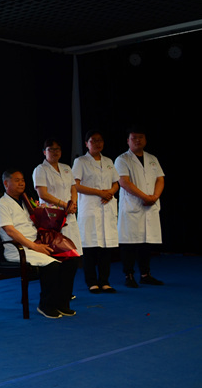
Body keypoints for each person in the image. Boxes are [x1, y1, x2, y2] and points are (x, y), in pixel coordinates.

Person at [0, 169, 78, 319]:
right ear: (6, 183)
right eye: (16, 180)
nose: (21, 183)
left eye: (22, 180)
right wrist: (35, 247)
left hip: (37, 243)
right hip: (18, 248)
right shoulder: (2, 204)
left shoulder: (26, 201)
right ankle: (46, 305)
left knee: (71, 260)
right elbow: (10, 231)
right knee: (53, 265)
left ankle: (62, 303)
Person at [32, 138, 82, 297]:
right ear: (44, 152)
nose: (55, 152)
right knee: (57, 256)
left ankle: (67, 292)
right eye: (51, 149)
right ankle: (56, 293)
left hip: (69, 215)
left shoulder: (67, 168)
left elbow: (73, 188)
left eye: (57, 149)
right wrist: (63, 204)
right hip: (52, 218)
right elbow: (43, 194)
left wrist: (73, 203)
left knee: (72, 255)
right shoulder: (40, 169)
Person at [115, 127, 165, 287]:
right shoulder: (122, 159)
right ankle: (128, 275)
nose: (138, 140)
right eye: (134, 137)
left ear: (145, 139)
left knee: (146, 242)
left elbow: (160, 179)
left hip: (150, 204)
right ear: (128, 140)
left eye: (141, 137)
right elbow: (124, 182)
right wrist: (145, 197)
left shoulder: (152, 159)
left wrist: (155, 197)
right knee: (129, 242)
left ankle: (145, 274)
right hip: (133, 206)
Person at [71, 130, 119, 293]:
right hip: (90, 207)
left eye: (100, 140)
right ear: (86, 144)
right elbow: (76, 185)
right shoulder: (80, 161)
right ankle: (91, 282)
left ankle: (105, 281)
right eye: (93, 141)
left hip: (107, 206)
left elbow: (116, 183)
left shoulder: (108, 161)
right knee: (90, 247)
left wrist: (110, 192)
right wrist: (99, 192)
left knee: (106, 246)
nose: (97, 143)